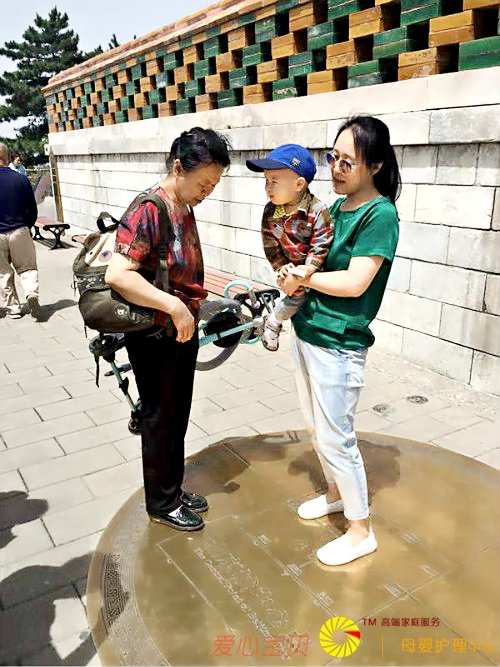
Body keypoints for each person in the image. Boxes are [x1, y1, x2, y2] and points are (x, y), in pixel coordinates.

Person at [280, 116, 400, 566]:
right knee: (316, 429)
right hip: (308, 330)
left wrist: (305, 277)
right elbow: (314, 260)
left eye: (347, 161)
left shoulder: (379, 214)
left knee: (338, 438)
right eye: (333, 157)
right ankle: (334, 493)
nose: (335, 168)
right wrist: (292, 270)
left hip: (339, 342)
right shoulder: (336, 208)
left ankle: (360, 530)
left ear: (376, 166)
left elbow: (354, 282)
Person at [105, 127, 231, 532]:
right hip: (155, 333)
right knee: (160, 418)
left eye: (213, 185)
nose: (207, 192)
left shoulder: (183, 205)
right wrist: (174, 305)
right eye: (203, 183)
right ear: (178, 168)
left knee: (177, 415)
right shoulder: (149, 209)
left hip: (179, 328)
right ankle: (161, 503)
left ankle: (172, 489)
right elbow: (118, 274)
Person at [246, 144, 333, 351]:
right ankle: (277, 323)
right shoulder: (270, 211)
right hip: (290, 272)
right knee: (296, 296)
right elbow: (270, 242)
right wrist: (281, 267)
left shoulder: (317, 211)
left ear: (299, 184)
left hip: (314, 271)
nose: (268, 187)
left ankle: (274, 321)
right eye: (266, 181)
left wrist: (307, 268)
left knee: (300, 298)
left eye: (274, 181)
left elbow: (322, 241)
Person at [0, 142, 40, 319]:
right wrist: (27, 226)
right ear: (8, 157)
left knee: (3, 273)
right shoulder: (21, 179)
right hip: (19, 230)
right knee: (28, 268)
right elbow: (32, 209)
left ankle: (14, 308)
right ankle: (31, 293)